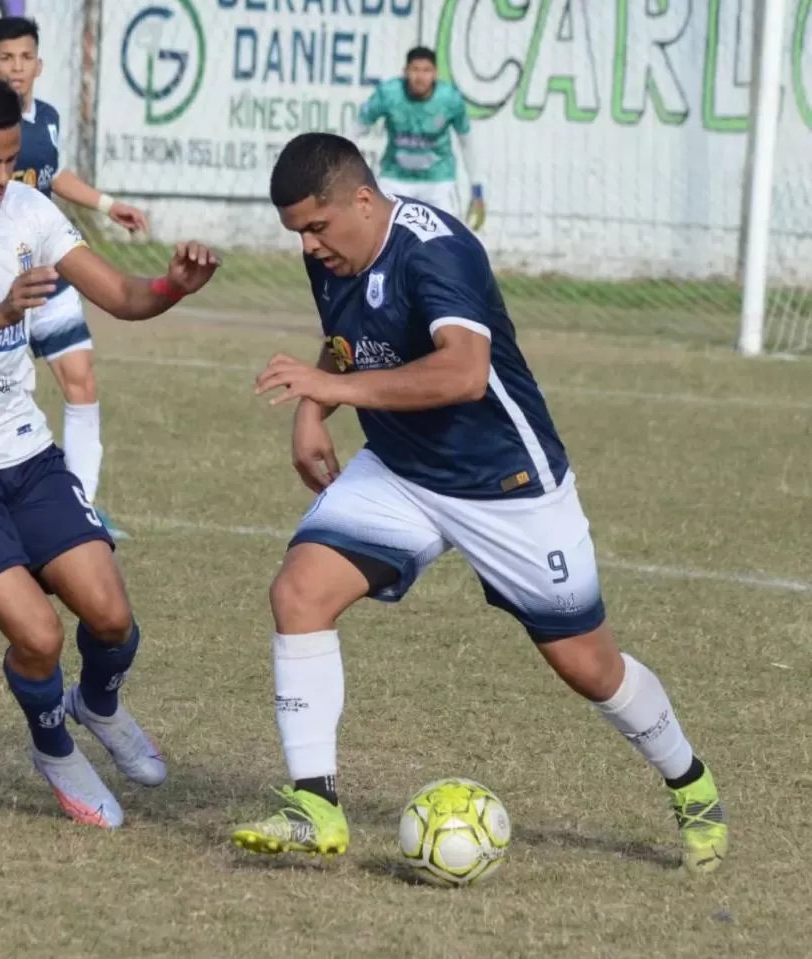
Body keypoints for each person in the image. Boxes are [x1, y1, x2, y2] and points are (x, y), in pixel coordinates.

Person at [231, 132, 728, 875]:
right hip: (402, 471)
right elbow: (346, 340)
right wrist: (312, 408)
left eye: (316, 227)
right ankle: (316, 805)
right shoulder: (334, 254)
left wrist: (334, 393)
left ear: (362, 201)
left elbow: (464, 372)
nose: (307, 246)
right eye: (297, 232)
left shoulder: (437, 250)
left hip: (508, 487)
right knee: (299, 591)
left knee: (590, 666)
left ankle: (690, 781)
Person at [0, 73, 219, 829]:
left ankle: (96, 702)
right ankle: (54, 746)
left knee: (112, 616)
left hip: (20, 451)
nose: (1, 179)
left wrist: (173, 285)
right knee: (38, 633)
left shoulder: (30, 209)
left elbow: (122, 296)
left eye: (10, 161)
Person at [0, 15, 150, 540]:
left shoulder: (50, 118)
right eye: (6, 57)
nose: (16, 67)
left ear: (38, 63)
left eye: (24, 57)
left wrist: (106, 204)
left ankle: (80, 506)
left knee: (81, 383)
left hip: (51, 275)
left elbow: (53, 175)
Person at [356, 46, 485, 233]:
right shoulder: (388, 94)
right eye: (415, 70)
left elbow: (467, 144)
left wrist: (477, 190)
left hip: (438, 181)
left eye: (426, 71)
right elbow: (357, 128)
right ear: (405, 72)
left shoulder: (450, 99)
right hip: (395, 178)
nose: (420, 77)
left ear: (436, 73)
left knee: (446, 239)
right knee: (381, 236)